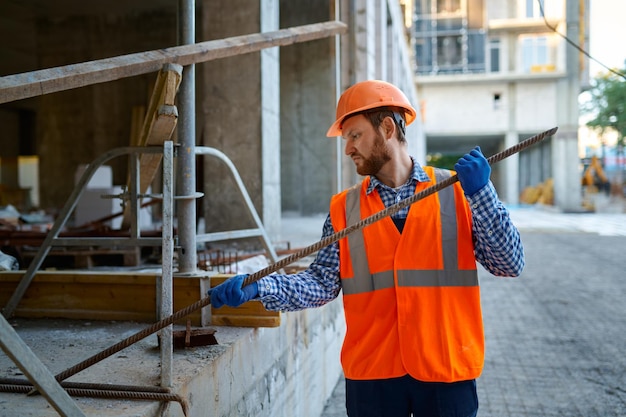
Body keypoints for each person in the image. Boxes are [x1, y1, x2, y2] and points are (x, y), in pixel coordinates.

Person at [210, 79, 525, 417]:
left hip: (446, 367)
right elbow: (320, 283)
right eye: (347, 139)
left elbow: (509, 263)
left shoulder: (457, 192)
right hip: (373, 375)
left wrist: (483, 195)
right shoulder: (344, 209)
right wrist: (260, 286)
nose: (348, 148)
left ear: (388, 128)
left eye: (355, 135)